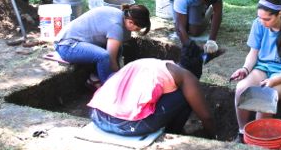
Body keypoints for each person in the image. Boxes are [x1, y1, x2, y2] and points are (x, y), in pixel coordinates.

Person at [88, 42, 216, 137]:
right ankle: (173, 133)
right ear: (195, 72)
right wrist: (212, 136)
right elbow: (206, 117)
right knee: (185, 96)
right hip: (126, 126)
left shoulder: (153, 64)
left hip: (97, 115)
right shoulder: (186, 76)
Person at [230, 0, 281, 142]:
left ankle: (257, 140)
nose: (262, 22)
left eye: (267, 19)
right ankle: (243, 132)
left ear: (279, 14)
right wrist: (245, 69)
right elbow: (253, 54)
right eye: (260, 18)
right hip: (263, 67)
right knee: (241, 88)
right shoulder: (258, 23)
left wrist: (273, 81)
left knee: (265, 96)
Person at [54, 5, 151, 85]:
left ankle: (95, 78)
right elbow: (111, 60)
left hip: (76, 40)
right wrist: (120, 78)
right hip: (67, 46)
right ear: (130, 22)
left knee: (118, 49)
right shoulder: (116, 27)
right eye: (137, 29)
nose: (136, 31)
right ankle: (108, 88)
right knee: (103, 56)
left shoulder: (119, 14)